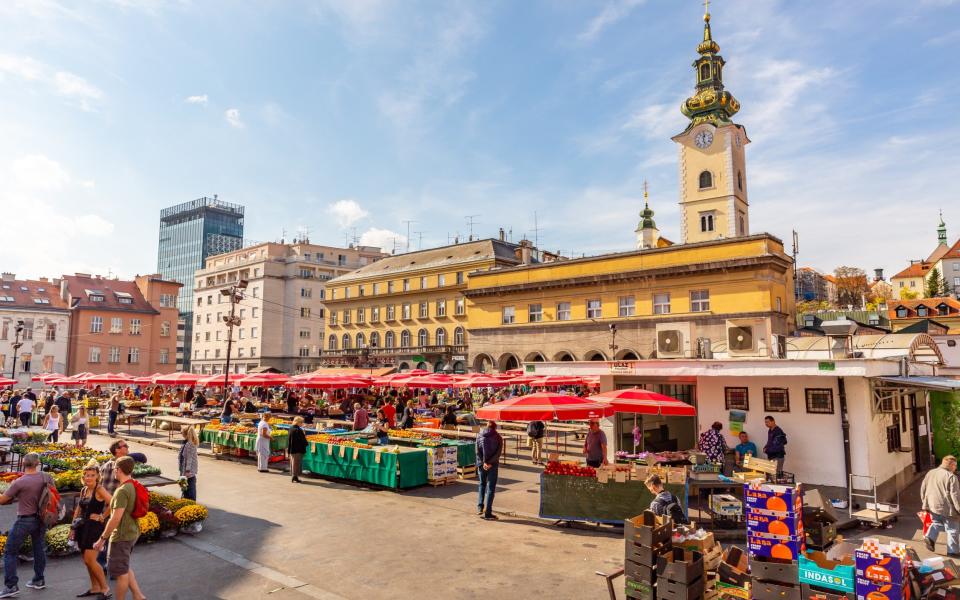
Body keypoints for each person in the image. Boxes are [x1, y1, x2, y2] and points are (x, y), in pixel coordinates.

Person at [0, 453, 54, 597]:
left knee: (10, 552)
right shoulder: (46, 477)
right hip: (42, 518)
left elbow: (3, 499)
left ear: (24, 464)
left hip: (24, 519)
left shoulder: (20, 482)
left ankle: (11, 586)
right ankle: (39, 579)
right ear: (37, 463)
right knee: (39, 549)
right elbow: (53, 494)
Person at [93, 456, 146, 600]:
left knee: (120, 573)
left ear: (119, 470)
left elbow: (115, 518)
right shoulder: (133, 484)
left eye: (115, 468)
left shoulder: (122, 491)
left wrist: (102, 539)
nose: (114, 470)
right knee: (124, 566)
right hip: (132, 531)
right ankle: (138, 595)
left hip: (122, 535)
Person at [70, 459, 112, 599]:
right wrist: (72, 527)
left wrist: (102, 516)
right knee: (86, 561)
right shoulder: (84, 490)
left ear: (97, 477)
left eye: (92, 475)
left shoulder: (99, 489)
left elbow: (113, 502)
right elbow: (78, 509)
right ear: (83, 477)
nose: (89, 477)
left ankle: (105, 589)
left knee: (91, 560)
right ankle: (95, 588)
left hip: (94, 528)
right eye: (87, 475)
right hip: (83, 527)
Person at [922, 456, 960, 556]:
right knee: (952, 530)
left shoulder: (931, 472)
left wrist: (925, 503)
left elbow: (923, 489)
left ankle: (929, 537)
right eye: (955, 465)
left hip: (932, 506)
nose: (955, 468)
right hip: (948, 509)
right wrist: (959, 509)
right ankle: (953, 552)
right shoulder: (951, 477)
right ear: (951, 465)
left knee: (936, 523)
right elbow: (955, 496)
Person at [476, 420, 503, 521]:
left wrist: (484, 462)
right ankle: (488, 512)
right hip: (493, 465)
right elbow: (498, 453)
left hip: (481, 464)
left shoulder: (479, 435)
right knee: (491, 488)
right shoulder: (498, 437)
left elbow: (477, 451)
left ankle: (480, 507)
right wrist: (490, 463)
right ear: (495, 427)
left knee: (482, 484)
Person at [179, 426, 199, 501]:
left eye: (181, 432)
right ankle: (184, 499)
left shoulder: (190, 444)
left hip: (188, 471)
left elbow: (189, 458)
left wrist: (187, 470)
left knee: (189, 488)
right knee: (184, 486)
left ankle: (190, 501)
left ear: (185, 434)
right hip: (183, 469)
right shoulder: (186, 442)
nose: (180, 433)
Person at [287, 416, 307, 483]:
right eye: (301, 422)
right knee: (297, 463)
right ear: (298, 422)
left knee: (293, 462)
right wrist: (304, 435)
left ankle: (294, 476)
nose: (302, 424)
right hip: (298, 449)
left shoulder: (291, 428)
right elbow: (302, 440)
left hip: (292, 448)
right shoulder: (298, 430)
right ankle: (295, 477)